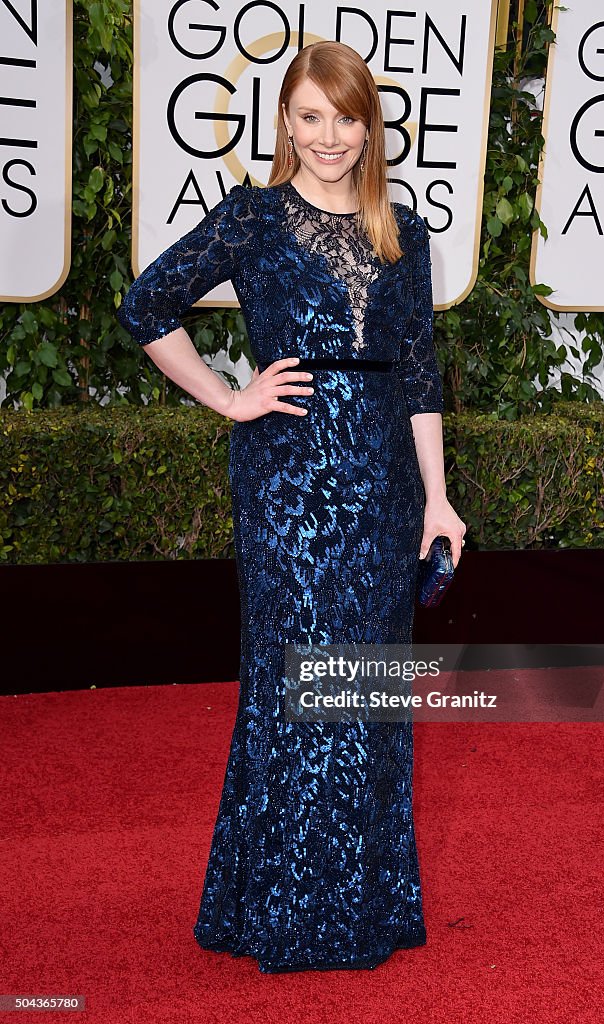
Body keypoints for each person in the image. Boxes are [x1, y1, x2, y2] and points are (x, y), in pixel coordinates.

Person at [117, 39, 467, 974]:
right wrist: (230, 396)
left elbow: (419, 373)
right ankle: (286, 910)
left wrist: (438, 500)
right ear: (283, 121)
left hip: (384, 486)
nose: (328, 136)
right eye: (310, 116)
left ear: (368, 126)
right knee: (296, 687)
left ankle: (359, 904)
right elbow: (147, 304)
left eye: (345, 117)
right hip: (288, 485)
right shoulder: (254, 219)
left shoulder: (404, 228)